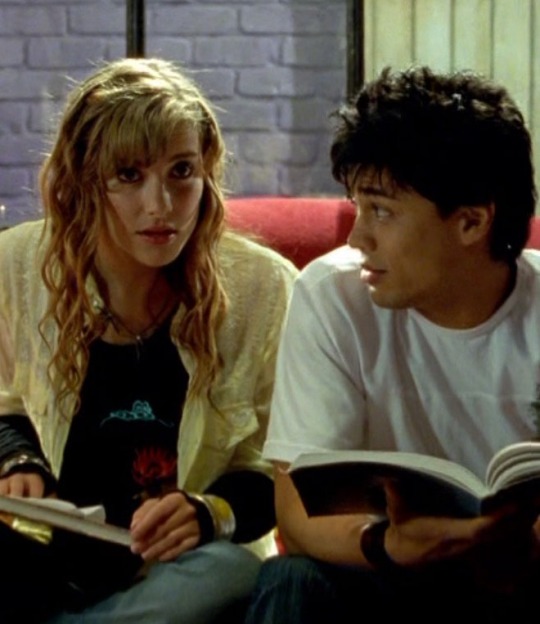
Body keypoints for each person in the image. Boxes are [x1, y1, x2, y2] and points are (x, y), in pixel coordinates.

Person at [0, 57, 298, 624]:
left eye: (181, 171)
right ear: (83, 180)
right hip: (42, 555)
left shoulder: (264, 288)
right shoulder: (15, 266)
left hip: (177, 574)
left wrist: (208, 512)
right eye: (129, 176)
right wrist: (15, 459)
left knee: (236, 572)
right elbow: (4, 404)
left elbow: (283, 467)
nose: (160, 206)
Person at [244, 65, 540, 624]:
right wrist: (390, 546)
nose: (358, 237)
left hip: (521, 582)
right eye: (357, 206)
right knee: (292, 581)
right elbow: (297, 514)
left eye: (382, 210)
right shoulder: (332, 296)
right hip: (385, 575)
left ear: (472, 222)